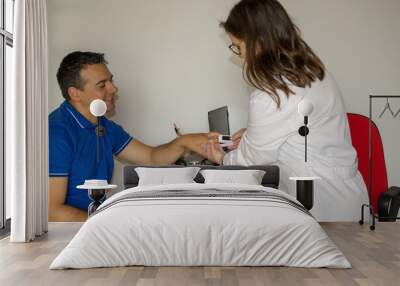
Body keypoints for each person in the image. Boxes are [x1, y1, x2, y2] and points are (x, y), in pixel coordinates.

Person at [206, 0, 368, 221]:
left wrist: (221, 158)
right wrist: (254, 134)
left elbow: (252, 161)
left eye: (238, 47)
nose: (240, 56)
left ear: (256, 43)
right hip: (344, 195)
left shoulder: (273, 91)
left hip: (322, 205)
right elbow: (294, 129)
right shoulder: (311, 71)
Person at [49, 51, 210, 222]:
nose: (114, 88)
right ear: (75, 94)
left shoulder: (105, 126)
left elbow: (151, 157)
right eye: (102, 85)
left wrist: (184, 142)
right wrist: (110, 223)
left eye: (111, 81)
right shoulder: (57, 132)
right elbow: (52, 211)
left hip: (95, 223)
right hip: (72, 234)